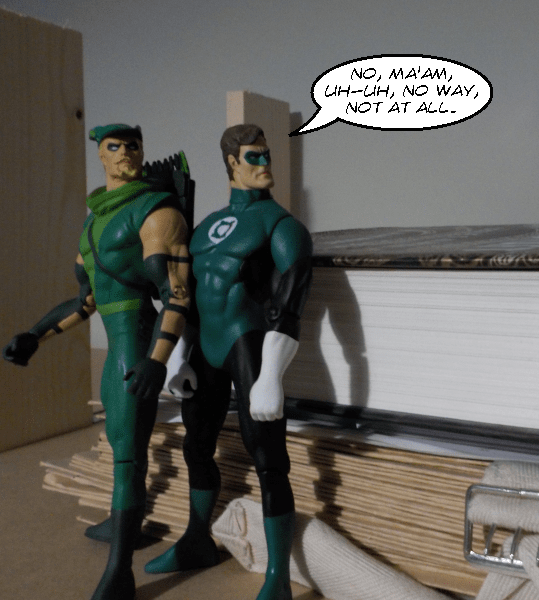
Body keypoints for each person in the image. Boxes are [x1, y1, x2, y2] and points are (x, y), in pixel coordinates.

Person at [3, 124, 191, 600]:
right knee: (119, 442)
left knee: (128, 454)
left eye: (133, 145)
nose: (126, 152)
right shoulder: (93, 224)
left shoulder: (156, 212)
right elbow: (87, 301)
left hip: (138, 343)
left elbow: (176, 295)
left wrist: (158, 360)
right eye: (114, 146)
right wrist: (36, 335)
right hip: (116, 348)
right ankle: (122, 525)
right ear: (101, 157)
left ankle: (119, 572)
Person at [145, 124, 312, 600]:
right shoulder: (204, 228)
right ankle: (197, 539)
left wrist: (271, 375)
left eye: (267, 155)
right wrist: (179, 355)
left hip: (249, 344)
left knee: (269, 460)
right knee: (196, 447)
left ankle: (277, 576)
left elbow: (290, 303)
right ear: (232, 164)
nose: (265, 165)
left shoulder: (282, 226)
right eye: (254, 157)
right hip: (205, 347)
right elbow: (189, 298)